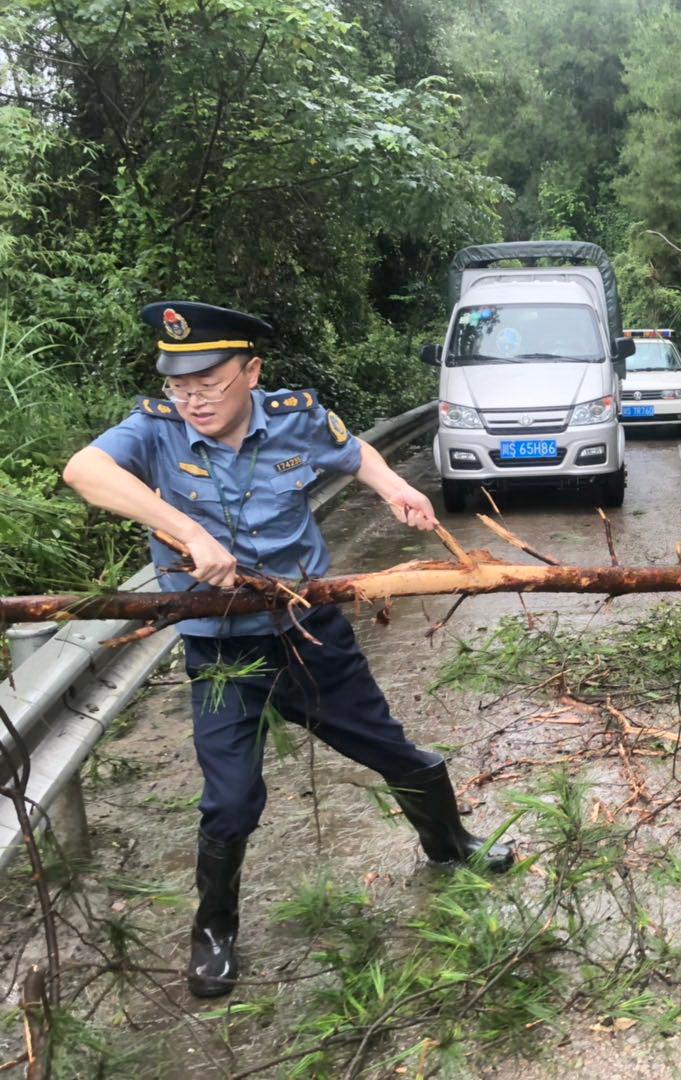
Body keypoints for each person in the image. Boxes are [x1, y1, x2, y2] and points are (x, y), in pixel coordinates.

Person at [62, 302, 515, 999]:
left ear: (253, 371)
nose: (192, 398)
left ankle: (451, 847)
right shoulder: (154, 433)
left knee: (394, 752)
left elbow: (354, 449)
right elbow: (83, 472)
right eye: (179, 384)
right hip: (220, 653)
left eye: (209, 381)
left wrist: (394, 487)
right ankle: (214, 933)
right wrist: (187, 531)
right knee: (231, 802)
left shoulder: (297, 416)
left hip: (312, 638)